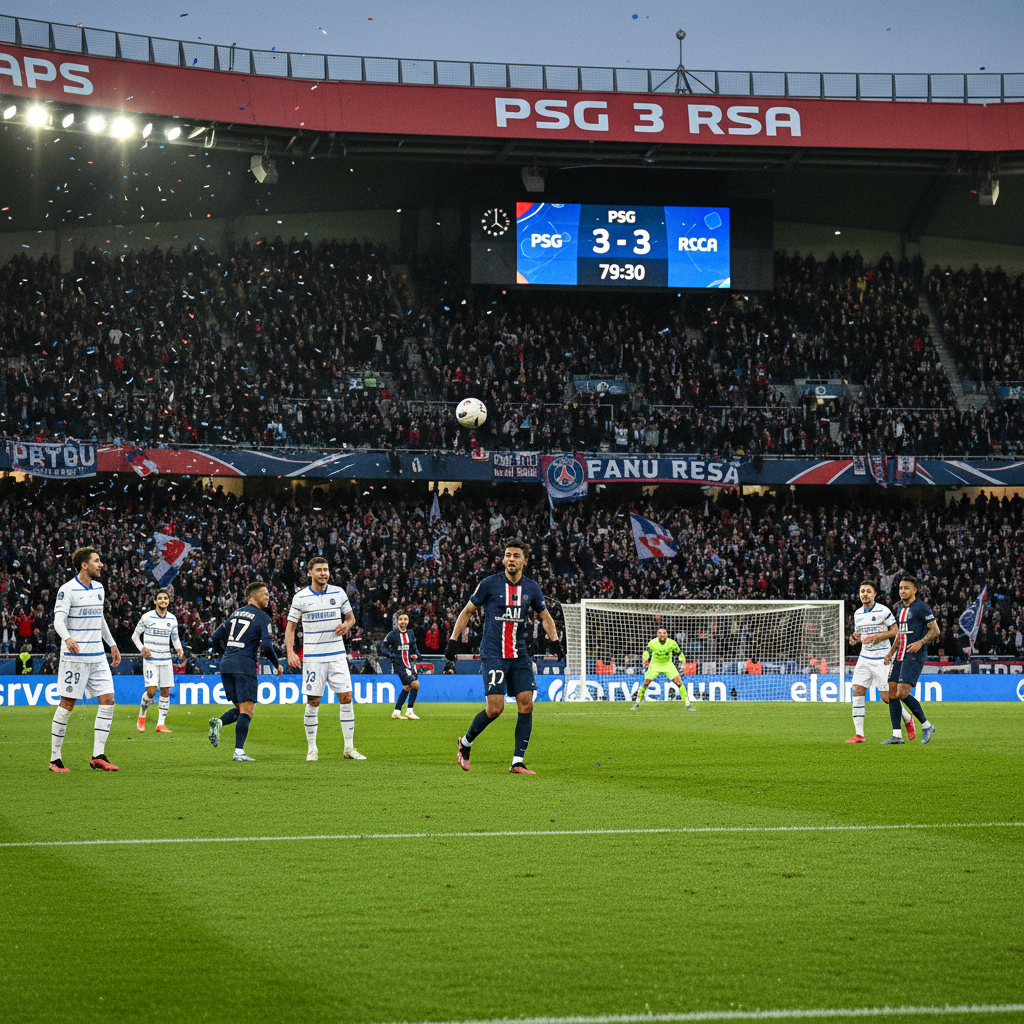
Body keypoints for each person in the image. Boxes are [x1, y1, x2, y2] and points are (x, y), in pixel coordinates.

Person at [448, 539, 558, 775]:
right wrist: (453, 641)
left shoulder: (532, 588)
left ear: (524, 561)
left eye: (516, 555)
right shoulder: (489, 584)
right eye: (508, 555)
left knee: (526, 702)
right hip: (493, 653)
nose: (510, 559)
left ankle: (517, 762)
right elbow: (467, 611)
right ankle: (465, 743)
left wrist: (556, 641)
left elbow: (546, 616)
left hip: (519, 654)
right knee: (495, 708)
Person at [48, 547, 122, 773]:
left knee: (108, 700)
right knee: (67, 705)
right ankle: (55, 759)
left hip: (98, 656)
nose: (101, 565)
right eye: (97, 561)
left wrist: (112, 644)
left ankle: (98, 755)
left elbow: (99, 619)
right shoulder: (67, 589)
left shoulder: (99, 588)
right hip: (75, 658)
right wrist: (68, 638)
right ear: (84, 565)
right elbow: (58, 620)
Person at [284, 556, 363, 762]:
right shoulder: (300, 597)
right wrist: (290, 652)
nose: (323, 573)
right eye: (319, 570)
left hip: (337, 655)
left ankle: (349, 748)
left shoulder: (339, 592)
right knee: (313, 701)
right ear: (309, 573)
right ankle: (312, 749)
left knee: (346, 698)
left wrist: (346, 626)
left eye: (326, 570)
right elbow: (291, 627)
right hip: (313, 658)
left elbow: (351, 617)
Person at [209, 580, 283, 762]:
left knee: (240, 709)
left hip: (227, 664)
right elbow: (266, 645)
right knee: (248, 710)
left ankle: (219, 722)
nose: (268, 597)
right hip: (244, 665)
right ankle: (239, 752)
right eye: (264, 594)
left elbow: (215, 637)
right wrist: (277, 664)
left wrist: (226, 653)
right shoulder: (262, 617)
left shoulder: (235, 614)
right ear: (253, 596)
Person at [847, 579, 914, 743]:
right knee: (857, 692)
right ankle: (859, 734)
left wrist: (878, 636)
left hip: (881, 659)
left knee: (886, 697)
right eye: (862, 591)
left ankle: (907, 718)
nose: (865, 594)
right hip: (864, 658)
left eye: (868, 591)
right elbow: (860, 634)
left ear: (875, 594)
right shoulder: (857, 614)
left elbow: (896, 631)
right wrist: (855, 638)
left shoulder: (883, 611)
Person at [881, 575, 940, 745]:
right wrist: (891, 652)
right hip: (900, 655)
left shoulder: (921, 608)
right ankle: (897, 735)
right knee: (892, 692)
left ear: (915, 590)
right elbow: (900, 634)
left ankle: (927, 725)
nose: (902, 591)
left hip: (914, 656)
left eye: (906, 588)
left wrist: (920, 643)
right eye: (900, 588)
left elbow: (935, 631)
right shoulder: (899, 608)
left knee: (901, 693)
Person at [132, 589, 184, 734]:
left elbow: (175, 638)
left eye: (165, 598)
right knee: (151, 692)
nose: (163, 600)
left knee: (166, 691)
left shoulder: (172, 619)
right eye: (160, 598)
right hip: (151, 660)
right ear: (155, 601)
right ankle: (142, 713)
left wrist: (179, 650)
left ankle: (160, 724)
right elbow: (135, 636)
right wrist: (142, 648)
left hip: (166, 660)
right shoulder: (147, 617)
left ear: (168, 601)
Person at [632, 627, 695, 710]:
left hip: (668, 665)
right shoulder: (652, 643)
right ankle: (637, 703)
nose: (662, 635)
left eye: (664, 633)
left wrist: (682, 662)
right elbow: (647, 652)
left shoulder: (672, 643)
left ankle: (688, 704)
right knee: (646, 683)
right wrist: (645, 660)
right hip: (655, 665)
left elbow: (679, 653)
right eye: (660, 633)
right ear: (657, 634)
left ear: (667, 634)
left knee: (679, 682)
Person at [381, 610, 422, 720]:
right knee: (415, 685)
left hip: (409, 663)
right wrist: (391, 655)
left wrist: (416, 655)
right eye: (401, 619)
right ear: (397, 621)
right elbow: (382, 647)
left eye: (405, 619)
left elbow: (414, 647)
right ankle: (409, 710)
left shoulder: (410, 633)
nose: (403, 621)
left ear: (408, 621)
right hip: (399, 664)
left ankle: (396, 712)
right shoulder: (393, 635)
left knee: (407, 687)